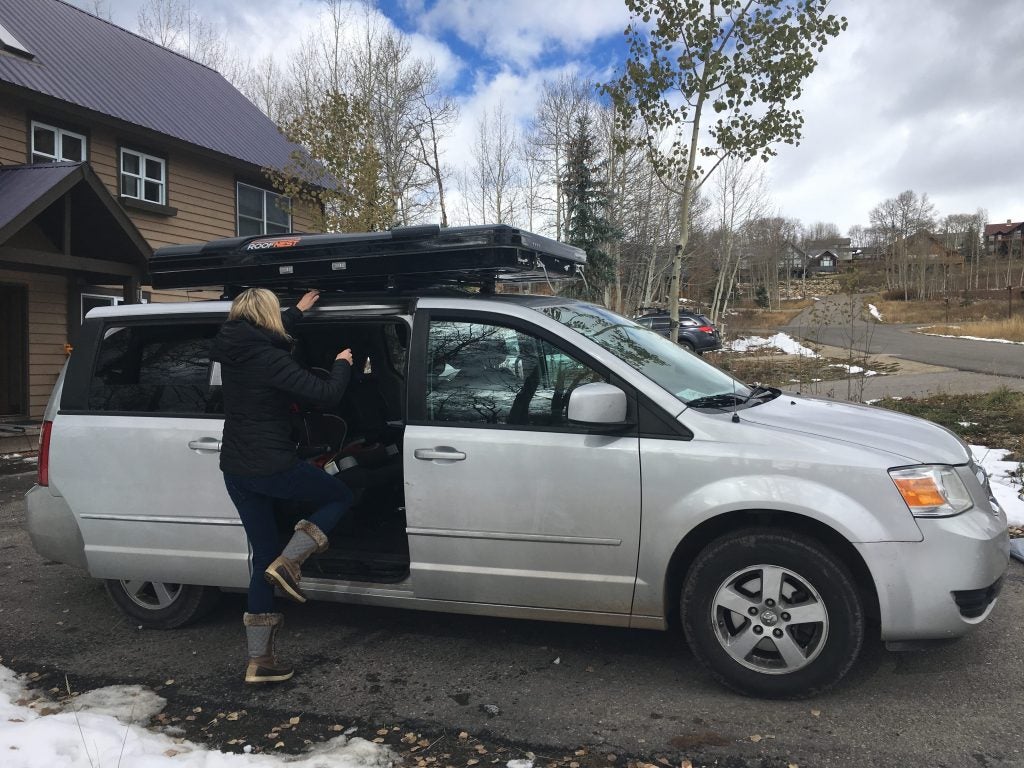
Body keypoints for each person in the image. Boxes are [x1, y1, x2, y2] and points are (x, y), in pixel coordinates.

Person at [211, 287, 353, 684]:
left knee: (262, 558)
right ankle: (290, 562)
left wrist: (297, 312)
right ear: (266, 315)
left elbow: (267, 335)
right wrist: (342, 364)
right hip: (271, 465)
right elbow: (327, 393)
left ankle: (261, 661)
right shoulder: (268, 359)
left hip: (236, 470)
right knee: (340, 494)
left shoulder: (233, 349)